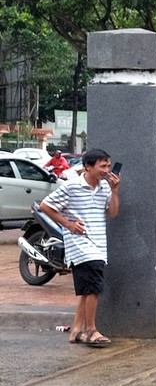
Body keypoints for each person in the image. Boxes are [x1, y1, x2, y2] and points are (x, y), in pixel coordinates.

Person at [39, 148, 120, 347]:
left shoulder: (104, 187)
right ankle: (91, 330)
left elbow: (113, 212)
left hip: (98, 244)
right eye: (102, 166)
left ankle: (76, 331)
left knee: (87, 290)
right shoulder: (72, 186)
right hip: (80, 245)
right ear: (88, 167)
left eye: (108, 166)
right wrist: (68, 224)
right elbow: (45, 206)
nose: (106, 170)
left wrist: (115, 190)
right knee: (94, 287)